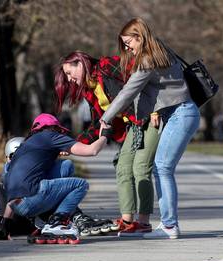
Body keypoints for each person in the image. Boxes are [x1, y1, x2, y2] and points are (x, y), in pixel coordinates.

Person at [99, 17, 200, 239]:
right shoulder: (161, 49)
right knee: (161, 168)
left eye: (129, 43)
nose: (127, 48)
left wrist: (106, 117)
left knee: (162, 167)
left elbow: (128, 91)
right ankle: (167, 224)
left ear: (139, 37)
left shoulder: (147, 61)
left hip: (180, 113)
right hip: (181, 113)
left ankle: (169, 226)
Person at [54, 51, 160, 234]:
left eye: (70, 73)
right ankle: (127, 221)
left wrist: (156, 108)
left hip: (150, 117)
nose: (70, 80)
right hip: (132, 126)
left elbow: (145, 75)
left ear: (80, 63)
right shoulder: (90, 89)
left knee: (141, 167)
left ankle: (143, 221)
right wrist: (73, 145)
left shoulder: (106, 66)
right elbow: (99, 124)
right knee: (123, 167)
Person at [0, 113, 111, 241]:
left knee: (65, 165)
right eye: (58, 130)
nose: (60, 133)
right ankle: (56, 222)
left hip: (16, 206)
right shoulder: (51, 137)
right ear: (53, 128)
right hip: (31, 199)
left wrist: (4, 225)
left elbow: (17, 185)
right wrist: (105, 135)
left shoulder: (25, 146)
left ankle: (45, 219)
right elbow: (92, 150)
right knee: (81, 185)